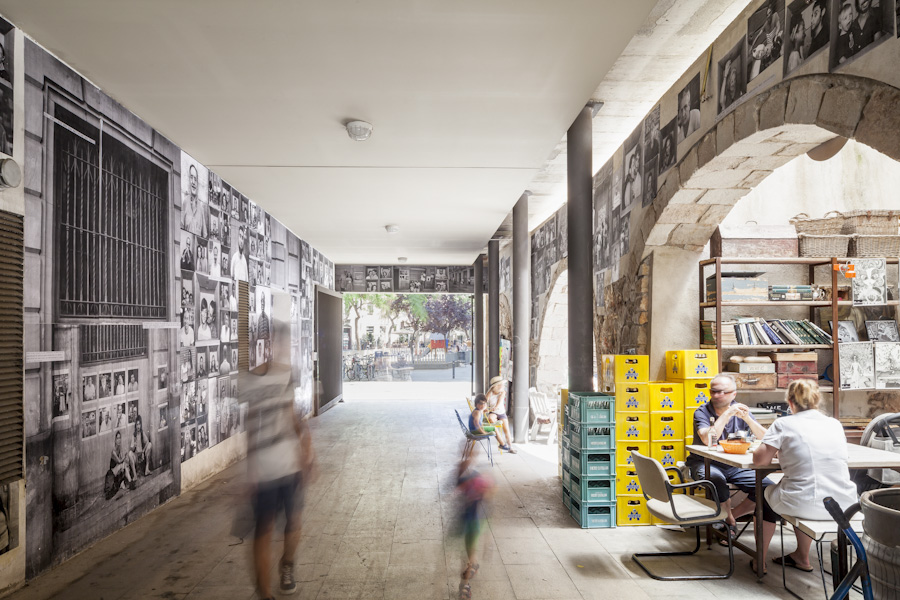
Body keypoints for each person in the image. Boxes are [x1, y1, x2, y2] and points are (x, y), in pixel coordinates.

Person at [245, 310, 316, 600]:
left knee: (294, 523)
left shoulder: (287, 377)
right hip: (264, 469)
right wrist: (250, 470)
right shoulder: (249, 381)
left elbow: (293, 416)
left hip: (289, 465)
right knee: (263, 531)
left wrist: (307, 451)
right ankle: (264, 592)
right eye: (276, 342)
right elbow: (250, 425)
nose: (282, 349)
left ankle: (287, 563)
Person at [752, 380, 857, 572]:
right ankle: (801, 556)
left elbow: (759, 460)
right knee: (801, 489)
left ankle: (760, 560)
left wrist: (777, 450)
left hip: (804, 503)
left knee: (765, 495)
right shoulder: (834, 424)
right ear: (817, 400)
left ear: (790, 402)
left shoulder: (783, 423)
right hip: (844, 505)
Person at [686, 373, 774, 554]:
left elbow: (768, 439)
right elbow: (707, 438)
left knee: (766, 488)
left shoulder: (741, 410)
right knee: (715, 481)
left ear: (734, 394)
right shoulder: (702, 411)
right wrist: (726, 414)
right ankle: (730, 523)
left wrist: (748, 419)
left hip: (735, 464)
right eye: (713, 391)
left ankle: (729, 517)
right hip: (705, 462)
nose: (716, 395)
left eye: (721, 392)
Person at [456, 444, 494, 600]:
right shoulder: (462, 469)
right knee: (467, 551)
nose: (470, 456)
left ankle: (464, 585)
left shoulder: (481, 475)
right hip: (465, 518)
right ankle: (473, 567)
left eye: (473, 453)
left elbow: (489, 500)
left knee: (468, 553)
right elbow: (457, 487)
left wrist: (488, 541)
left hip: (475, 520)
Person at [485, 376, 516, 453]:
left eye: (502, 384)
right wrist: (485, 407)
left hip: (501, 413)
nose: (502, 386)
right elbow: (485, 401)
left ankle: (510, 447)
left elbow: (500, 400)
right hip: (493, 412)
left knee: (506, 430)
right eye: (500, 385)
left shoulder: (502, 392)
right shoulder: (490, 392)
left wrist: (495, 407)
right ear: (496, 386)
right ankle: (501, 441)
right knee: (491, 418)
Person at [181, 164, 209, 237]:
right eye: (191, 177)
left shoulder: (201, 208)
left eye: (195, 179)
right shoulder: (185, 203)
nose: (193, 182)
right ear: (188, 180)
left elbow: (204, 235)